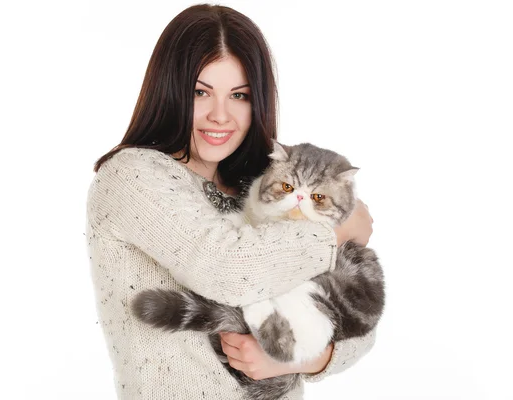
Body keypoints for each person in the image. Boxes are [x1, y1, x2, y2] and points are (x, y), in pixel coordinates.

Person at [85, 4, 376, 399]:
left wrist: (299, 358)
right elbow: (224, 267)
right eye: (200, 92)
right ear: (170, 91)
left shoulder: (264, 187)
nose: (220, 115)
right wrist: (339, 231)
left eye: (238, 95)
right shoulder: (132, 175)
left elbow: (357, 321)